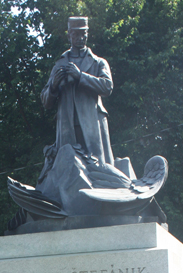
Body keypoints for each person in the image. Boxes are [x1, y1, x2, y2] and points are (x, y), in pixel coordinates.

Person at [40, 16, 114, 167]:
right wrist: (53, 86)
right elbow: (46, 101)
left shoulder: (98, 62)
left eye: (83, 34)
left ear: (87, 34)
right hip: (68, 125)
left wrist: (81, 76)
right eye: (76, 34)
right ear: (69, 36)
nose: (80, 38)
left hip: (92, 121)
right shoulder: (60, 64)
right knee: (68, 169)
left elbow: (107, 86)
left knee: (99, 167)